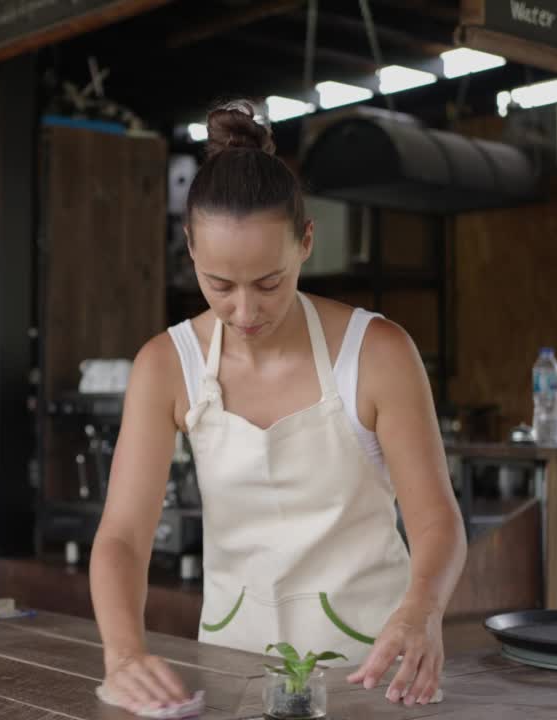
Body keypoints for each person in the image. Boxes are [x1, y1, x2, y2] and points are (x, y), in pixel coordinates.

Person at [89, 100, 466, 714]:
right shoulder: (166, 366)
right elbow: (123, 539)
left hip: (373, 672)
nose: (244, 312)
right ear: (190, 249)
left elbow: (436, 522)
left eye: (269, 282)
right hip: (231, 670)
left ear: (307, 242)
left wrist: (422, 611)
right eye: (218, 285)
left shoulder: (378, 352)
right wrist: (124, 653)